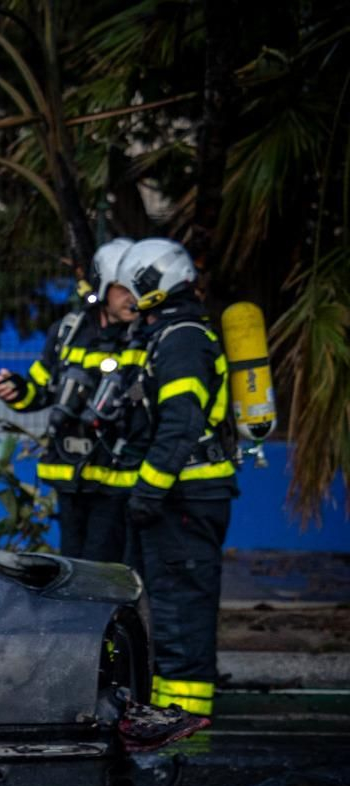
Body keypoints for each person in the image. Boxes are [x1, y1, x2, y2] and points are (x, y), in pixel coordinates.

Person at [114, 237, 237, 718]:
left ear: (155, 279)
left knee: (181, 615)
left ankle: (186, 731)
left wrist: (148, 491)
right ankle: (166, 721)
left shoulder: (183, 337)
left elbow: (181, 424)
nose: (130, 294)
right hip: (179, 498)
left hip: (186, 497)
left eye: (136, 283)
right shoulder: (167, 333)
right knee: (165, 612)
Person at [0, 238, 136, 561]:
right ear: (103, 285)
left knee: (106, 561)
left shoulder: (143, 335)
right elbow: (41, 390)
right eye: (123, 288)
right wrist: (16, 389)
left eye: (137, 287)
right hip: (69, 475)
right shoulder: (68, 330)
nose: (132, 297)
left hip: (117, 478)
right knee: (74, 559)